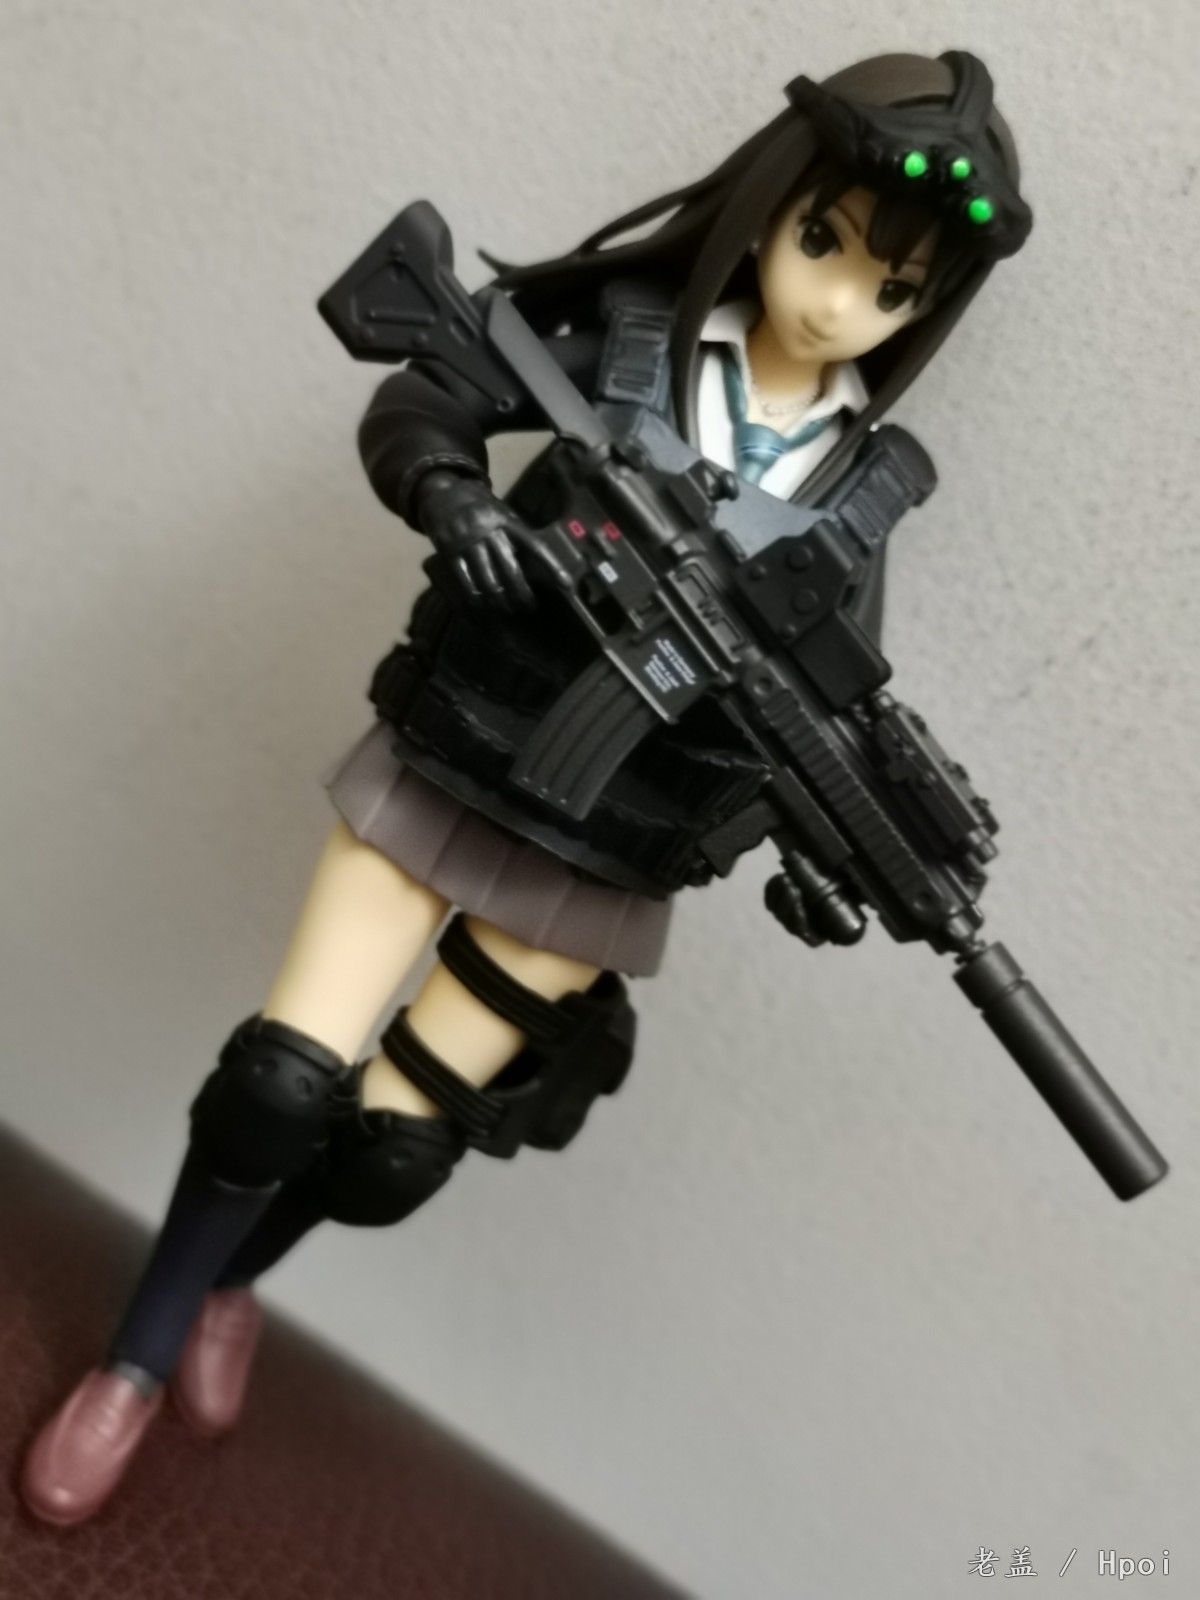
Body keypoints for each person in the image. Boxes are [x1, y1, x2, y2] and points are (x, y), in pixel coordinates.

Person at [21, 49, 1031, 1524]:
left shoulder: (857, 494)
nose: (835, 301)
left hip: (606, 858)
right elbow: (423, 402)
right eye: (823, 239)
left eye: (891, 289)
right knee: (277, 1087)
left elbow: (825, 698)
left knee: (392, 1152)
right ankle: (136, 1356)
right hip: (460, 756)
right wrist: (457, 502)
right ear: (771, 204)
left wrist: (820, 848)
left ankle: (233, 1285)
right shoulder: (623, 347)